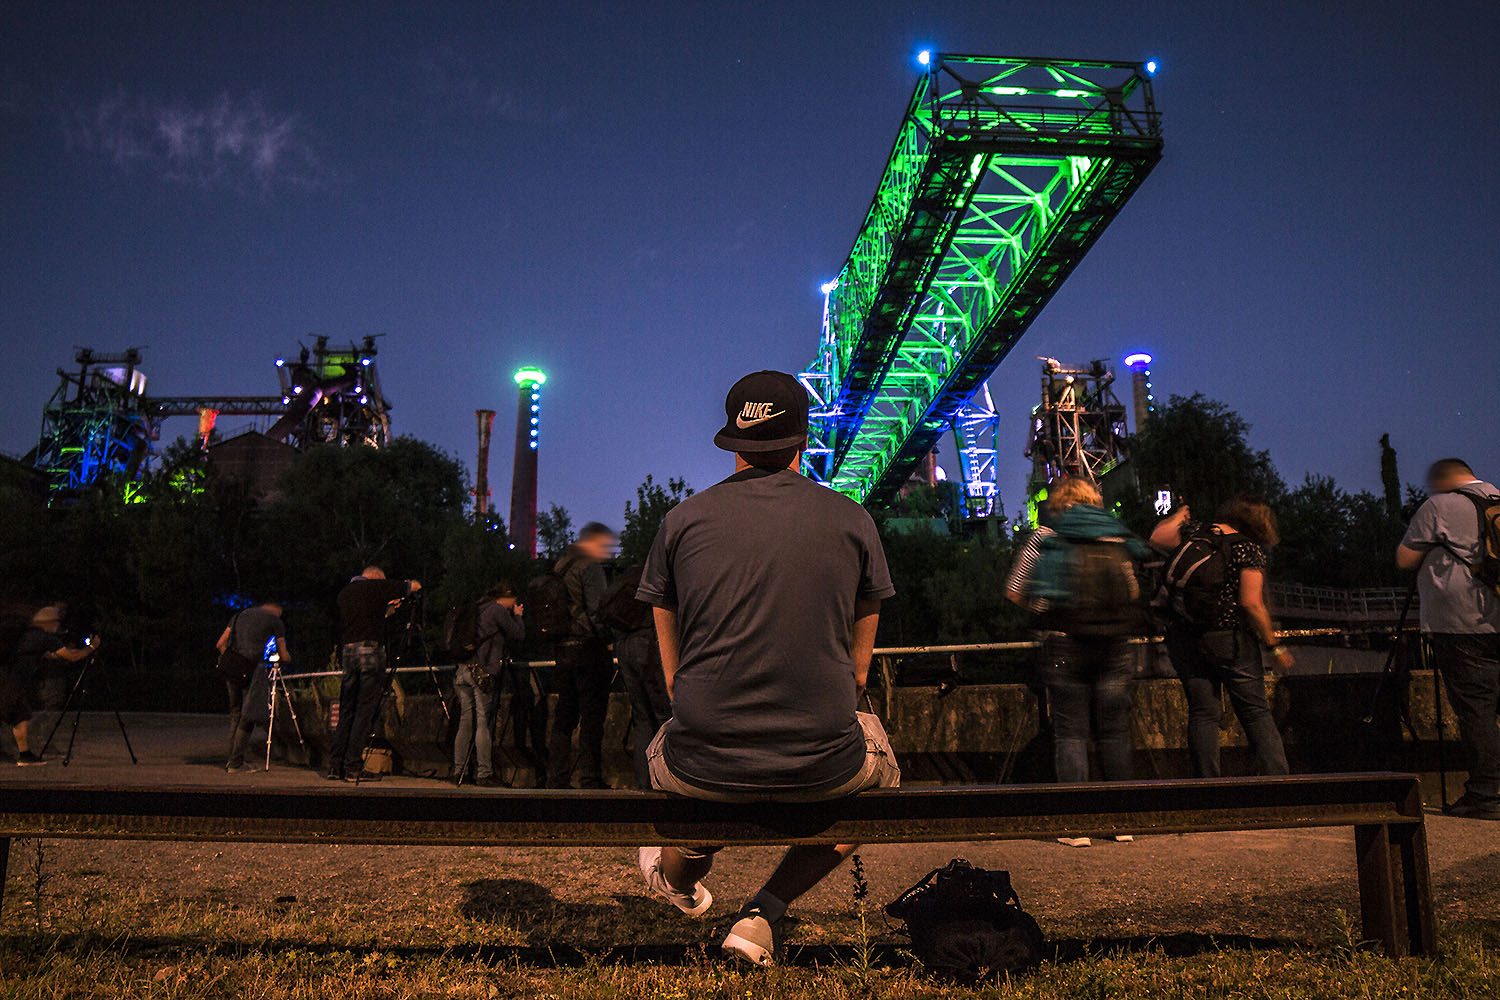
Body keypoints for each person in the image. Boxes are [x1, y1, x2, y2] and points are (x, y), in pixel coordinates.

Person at [634, 369, 900, 967]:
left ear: (730, 440)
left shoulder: (681, 521)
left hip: (702, 762)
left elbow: (672, 665)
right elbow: (858, 676)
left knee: (693, 764)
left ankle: (676, 875)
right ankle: (762, 913)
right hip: (823, 764)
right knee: (883, 780)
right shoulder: (853, 520)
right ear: (802, 440)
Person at [1007, 478, 1147, 846]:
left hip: (1064, 643)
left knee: (1070, 732)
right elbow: (1133, 590)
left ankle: (1076, 826)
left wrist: (1048, 611)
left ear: (1058, 503)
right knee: (1113, 731)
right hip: (1114, 645)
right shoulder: (1114, 535)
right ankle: (1122, 821)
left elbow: (1015, 589)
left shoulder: (1044, 536)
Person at [1151, 495, 1292, 778]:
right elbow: (1251, 603)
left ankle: (1208, 785)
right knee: (1255, 712)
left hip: (1185, 638)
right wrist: (1274, 646)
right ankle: (1279, 782)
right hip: (1229, 639)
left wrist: (1180, 514)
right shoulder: (1247, 548)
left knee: (1203, 713)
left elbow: (1156, 537)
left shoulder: (1195, 536)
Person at [1397, 459, 1500, 820]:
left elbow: (1405, 558)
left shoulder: (1440, 505)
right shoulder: (1498, 500)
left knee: (1477, 709)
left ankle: (1486, 794)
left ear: (1445, 478)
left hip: (1462, 623)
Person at [327, 567, 420, 782]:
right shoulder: (374, 586)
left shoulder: (345, 593)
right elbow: (412, 586)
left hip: (348, 652)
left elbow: (365, 616)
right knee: (364, 710)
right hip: (370, 652)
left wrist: (386, 609)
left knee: (347, 709)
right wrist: (409, 586)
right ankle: (353, 767)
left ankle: (335, 765)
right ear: (376, 578)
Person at [545, 522, 617, 789]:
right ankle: (590, 777)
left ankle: (558, 777)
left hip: (562, 649)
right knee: (592, 715)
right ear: (593, 541)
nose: (606, 550)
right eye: (604, 544)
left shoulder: (561, 566)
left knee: (564, 714)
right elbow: (600, 611)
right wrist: (609, 640)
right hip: (588, 650)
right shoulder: (590, 567)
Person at [453, 582, 525, 787]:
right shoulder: (497, 610)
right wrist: (518, 615)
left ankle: (459, 770)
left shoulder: (478, 607)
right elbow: (518, 634)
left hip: (463, 669)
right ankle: (484, 772)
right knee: (483, 722)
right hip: (482, 671)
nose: (514, 603)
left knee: (466, 720)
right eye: (513, 600)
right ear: (505, 598)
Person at [5, 607, 97, 765]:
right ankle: (23, 755)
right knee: (19, 715)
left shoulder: (27, 635)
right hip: (13, 682)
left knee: (20, 716)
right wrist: (92, 647)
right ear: (49, 623)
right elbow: (71, 656)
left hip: (8, 678)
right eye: (56, 622)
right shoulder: (45, 637)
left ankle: (24, 755)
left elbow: (53, 654)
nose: (58, 626)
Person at [607, 564, 671, 788]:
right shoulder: (657, 575)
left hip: (625, 646)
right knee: (666, 716)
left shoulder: (630, 575)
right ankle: (667, 779)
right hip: (647, 645)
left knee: (642, 719)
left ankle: (644, 784)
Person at [214, 601, 290, 773]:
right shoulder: (275, 621)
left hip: (231, 668)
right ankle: (235, 764)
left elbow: (220, 644)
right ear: (277, 610)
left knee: (236, 713)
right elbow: (283, 653)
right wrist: (285, 658)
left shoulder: (239, 615)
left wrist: (231, 659)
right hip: (251, 670)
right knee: (248, 716)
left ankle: (232, 759)